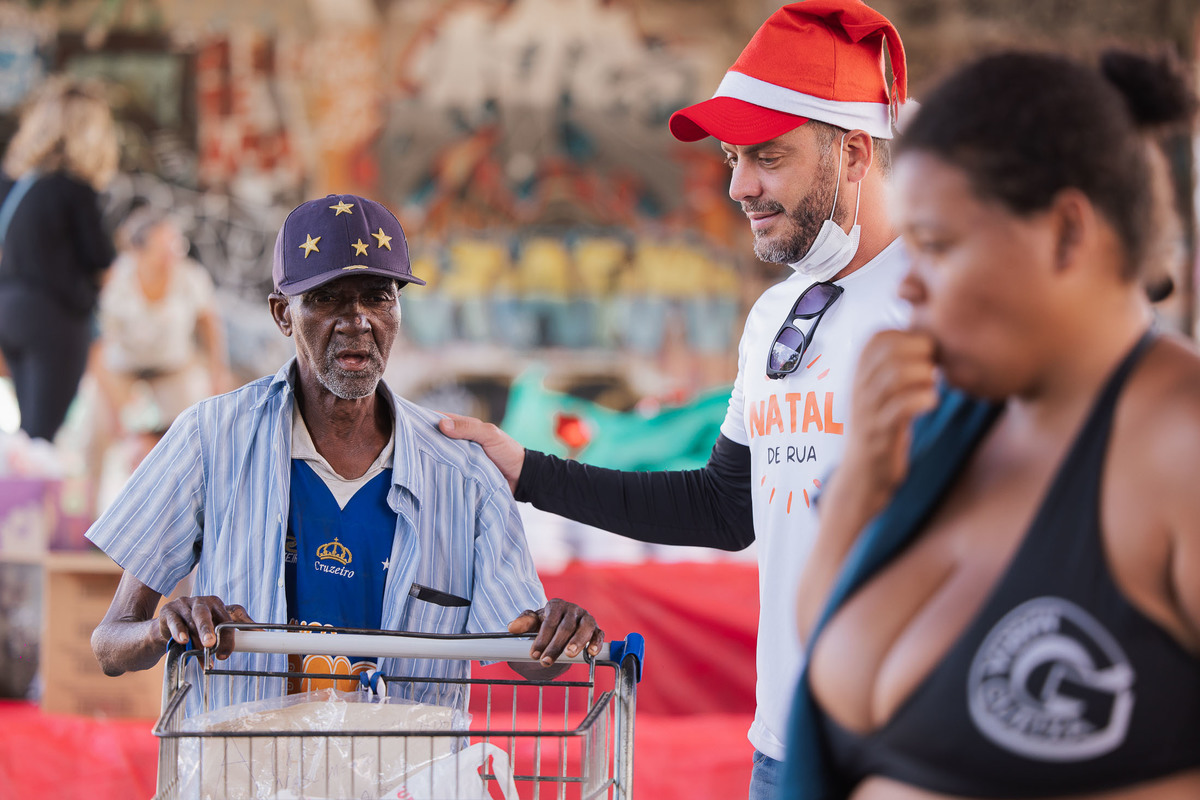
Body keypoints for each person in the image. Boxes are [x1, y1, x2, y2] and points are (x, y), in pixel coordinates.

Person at [439, 2, 912, 794]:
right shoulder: (774, 319)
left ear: (855, 153)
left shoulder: (943, 309)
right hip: (786, 749)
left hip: (907, 752)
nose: (739, 187)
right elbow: (725, 510)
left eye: (768, 156)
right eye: (733, 157)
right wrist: (528, 471)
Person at [785, 51, 1200, 799]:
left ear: (1067, 234)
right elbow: (826, 654)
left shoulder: (1180, 443)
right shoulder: (949, 423)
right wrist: (865, 478)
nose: (907, 283)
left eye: (937, 246)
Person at [88, 194, 604, 716]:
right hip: (252, 779)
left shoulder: (462, 471)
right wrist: (167, 626)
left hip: (403, 781)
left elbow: (532, 655)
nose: (357, 321)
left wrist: (561, 631)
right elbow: (110, 645)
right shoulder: (211, 438)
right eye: (327, 298)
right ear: (282, 314)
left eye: (378, 297)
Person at [0, 76, 118, 441]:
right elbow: (100, 260)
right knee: (42, 438)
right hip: (54, 319)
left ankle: (20, 496)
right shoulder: (74, 188)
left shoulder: (15, 184)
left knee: (29, 430)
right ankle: (27, 498)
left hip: (11, 312)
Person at [87, 206, 233, 498]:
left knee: (202, 423)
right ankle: (87, 514)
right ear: (138, 251)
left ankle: (201, 506)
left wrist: (219, 374)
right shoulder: (116, 280)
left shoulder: (190, 276)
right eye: (162, 247)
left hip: (174, 368)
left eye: (176, 246)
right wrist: (118, 409)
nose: (172, 255)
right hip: (121, 370)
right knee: (93, 427)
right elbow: (97, 348)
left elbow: (210, 327)